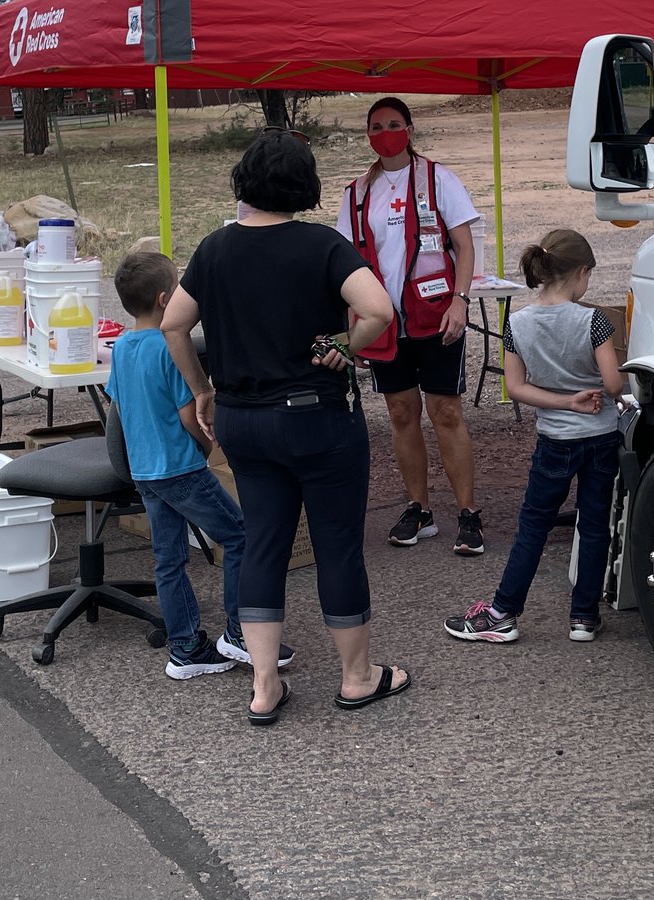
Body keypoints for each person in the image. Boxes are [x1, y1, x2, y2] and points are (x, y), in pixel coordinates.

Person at [161, 130, 411, 726]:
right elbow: (380, 310)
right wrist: (343, 346)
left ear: (244, 180)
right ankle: (356, 678)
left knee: (263, 543)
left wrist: (204, 391)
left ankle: (265, 684)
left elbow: (173, 324)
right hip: (319, 418)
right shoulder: (323, 246)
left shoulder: (214, 248)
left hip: (244, 421)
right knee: (336, 547)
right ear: (305, 185)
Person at [106, 251, 294, 680]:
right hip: (181, 468)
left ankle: (186, 646)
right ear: (164, 299)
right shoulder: (171, 348)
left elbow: (120, 404)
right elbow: (191, 412)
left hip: (145, 472)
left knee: (168, 559)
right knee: (241, 535)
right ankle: (240, 631)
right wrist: (207, 444)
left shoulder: (121, 348)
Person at [443, 229, 624, 644]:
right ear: (581, 272)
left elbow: (517, 388)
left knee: (533, 526)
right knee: (595, 525)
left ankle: (504, 611)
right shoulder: (593, 321)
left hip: (555, 439)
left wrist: (564, 403)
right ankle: (583, 616)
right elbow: (613, 384)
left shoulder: (517, 323)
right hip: (600, 436)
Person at [335, 96, 485, 556]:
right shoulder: (357, 192)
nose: (385, 134)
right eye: (376, 127)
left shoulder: (440, 179)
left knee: (446, 412)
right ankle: (418, 508)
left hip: (436, 314)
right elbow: (347, 263)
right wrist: (353, 328)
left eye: (393, 124)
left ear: (410, 128)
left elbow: (464, 245)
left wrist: (460, 302)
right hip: (384, 322)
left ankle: (467, 513)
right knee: (401, 413)